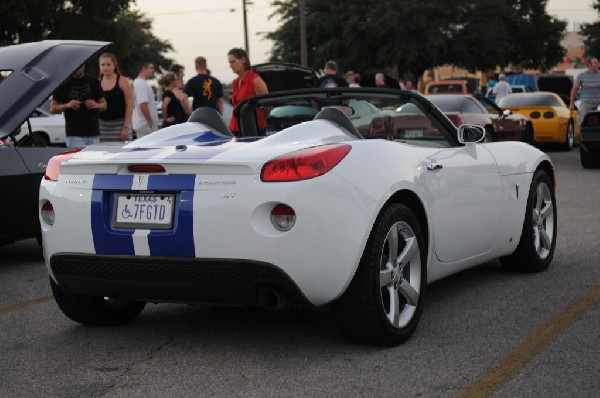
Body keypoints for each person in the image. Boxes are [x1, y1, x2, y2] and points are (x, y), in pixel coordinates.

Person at [50, 64, 106, 147]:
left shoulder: (93, 81)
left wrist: (96, 105)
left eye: (81, 65)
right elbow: (52, 109)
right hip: (74, 134)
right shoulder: (63, 83)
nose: (79, 67)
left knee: (94, 160)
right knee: (76, 159)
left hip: (93, 133)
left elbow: (104, 105)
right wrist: (67, 105)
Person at [227, 48, 269, 135]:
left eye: (233, 62)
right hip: (235, 128)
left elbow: (267, 105)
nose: (230, 65)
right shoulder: (235, 82)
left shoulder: (255, 80)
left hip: (253, 129)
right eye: (229, 63)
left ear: (243, 60)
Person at [97, 53, 133, 142]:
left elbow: (130, 105)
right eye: (103, 65)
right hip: (101, 126)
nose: (105, 67)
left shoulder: (123, 81)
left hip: (120, 125)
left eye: (108, 64)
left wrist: (126, 127)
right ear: (99, 66)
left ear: (114, 65)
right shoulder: (97, 82)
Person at [570, 56, 600, 125]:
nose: (597, 64)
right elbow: (574, 90)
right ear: (589, 65)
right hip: (586, 103)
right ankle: (582, 134)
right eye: (595, 63)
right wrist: (571, 104)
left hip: (599, 103)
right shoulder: (582, 75)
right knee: (582, 121)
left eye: (597, 63)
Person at [132, 62, 159, 138]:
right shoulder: (141, 84)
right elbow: (143, 104)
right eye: (151, 68)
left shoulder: (138, 83)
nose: (152, 71)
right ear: (144, 69)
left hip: (143, 123)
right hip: (145, 124)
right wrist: (149, 120)